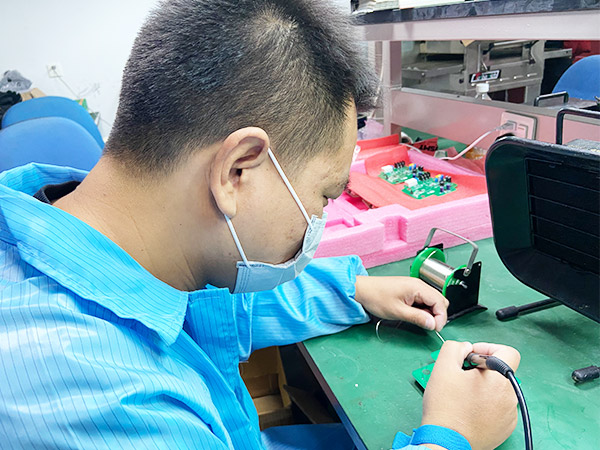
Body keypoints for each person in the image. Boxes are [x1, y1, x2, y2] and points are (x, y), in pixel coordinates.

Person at [0, 0, 520, 449]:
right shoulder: (92, 395)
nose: (319, 219)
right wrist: (452, 436)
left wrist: (354, 291)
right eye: (323, 196)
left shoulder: (101, 228)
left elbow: (210, 308)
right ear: (237, 171)